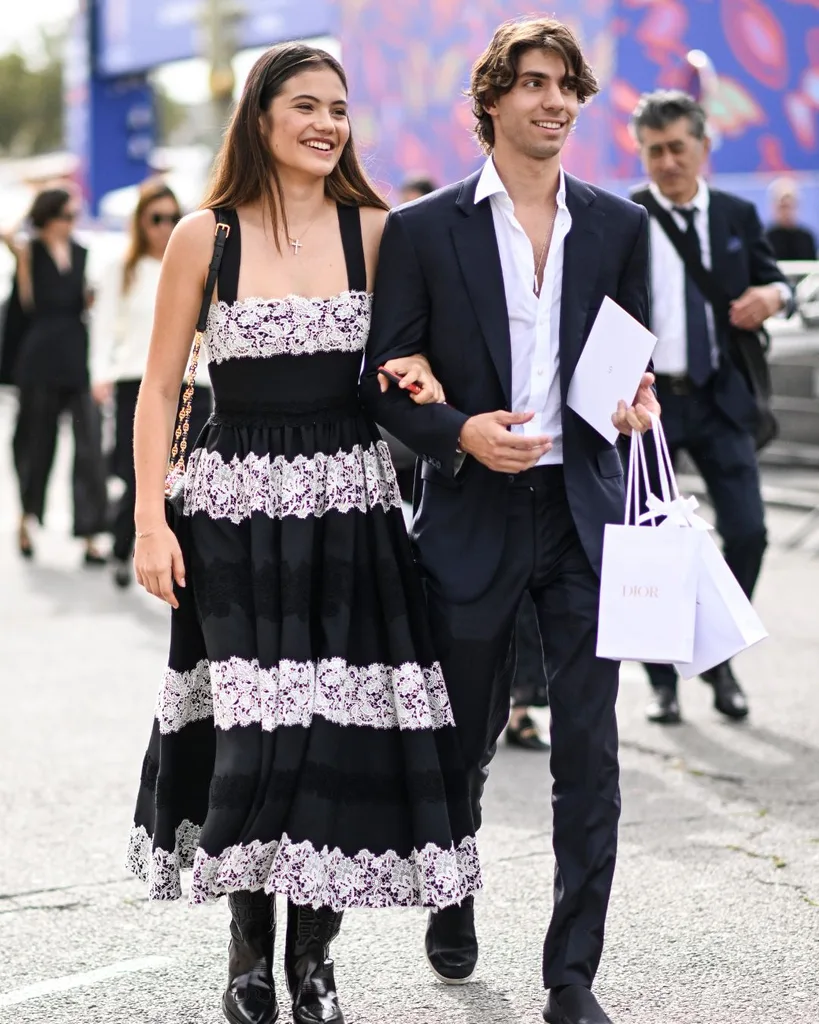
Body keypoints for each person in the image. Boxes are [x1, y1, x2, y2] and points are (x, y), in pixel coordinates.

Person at [125, 43, 480, 1024]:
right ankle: (248, 951)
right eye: (306, 107)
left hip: (351, 515)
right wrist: (150, 519)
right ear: (260, 117)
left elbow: (419, 365)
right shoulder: (206, 236)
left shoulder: (379, 230)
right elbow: (159, 391)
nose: (328, 124)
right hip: (231, 519)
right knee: (254, 734)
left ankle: (312, 961)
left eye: (340, 108)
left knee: (331, 738)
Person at [361, 18, 657, 1024]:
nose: (554, 101)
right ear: (490, 101)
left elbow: (628, 365)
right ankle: (453, 882)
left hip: (583, 515)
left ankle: (571, 974)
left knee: (590, 754)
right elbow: (386, 383)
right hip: (473, 511)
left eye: (568, 84)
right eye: (533, 83)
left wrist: (633, 399)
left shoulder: (619, 227)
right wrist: (458, 433)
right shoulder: (424, 230)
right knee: (463, 739)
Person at [629, 90, 793, 726]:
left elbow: (774, 276)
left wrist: (771, 296)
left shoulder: (732, 214)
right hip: (650, 406)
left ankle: (717, 657)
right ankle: (662, 680)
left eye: (677, 147)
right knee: (648, 546)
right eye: (654, 151)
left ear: (702, 146)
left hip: (721, 397)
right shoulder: (624, 217)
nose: (667, 162)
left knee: (749, 531)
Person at [91, 179, 212, 589]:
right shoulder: (122, 270)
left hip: (195, 384)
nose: (164, 227)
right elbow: (104, 325)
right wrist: (99, 373)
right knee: (137, 472)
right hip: (136, 380)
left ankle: (184, 560)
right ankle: (123, 547)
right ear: (140, 222)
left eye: (172, 217)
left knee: (187, 475)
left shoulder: (198, 262)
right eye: (155, 218)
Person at [1, 188, 107, 563]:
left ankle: (91, 534)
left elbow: (85, 300)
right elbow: (6, 233)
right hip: (40, 358)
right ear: (48, 217)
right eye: (65, 214)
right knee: (36, 445)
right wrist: (32, 211)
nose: (71, 221)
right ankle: (26, 520)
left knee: (89, 447)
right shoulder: (29, 251)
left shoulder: (81, 252)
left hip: (76, 357)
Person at [765, 178, 817, 262]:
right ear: (774, 208)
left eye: (790, 206)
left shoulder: (806, 237)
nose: (787, 212)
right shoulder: (766, 237)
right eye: (783, 207)